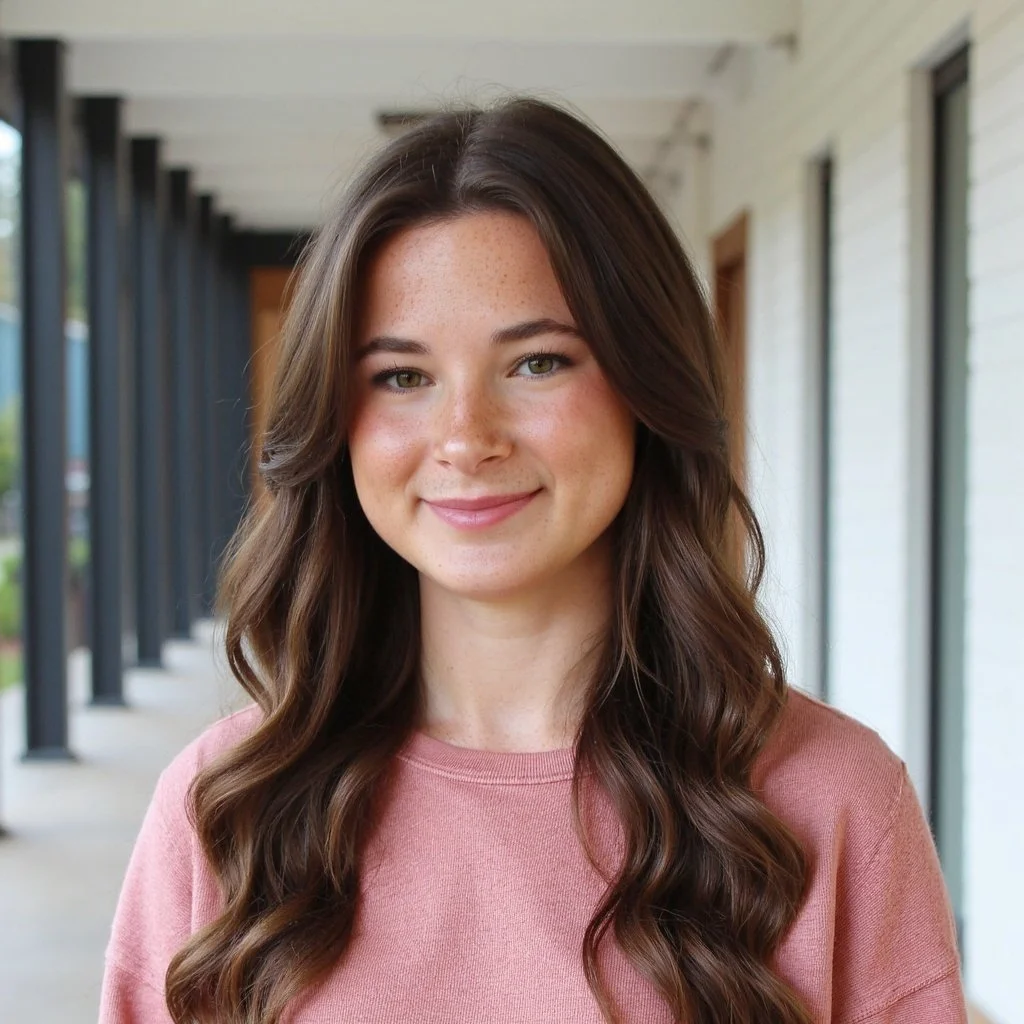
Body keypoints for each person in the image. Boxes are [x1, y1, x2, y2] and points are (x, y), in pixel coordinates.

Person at [99, 97, 966, 1024]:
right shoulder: (223, 809)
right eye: (402, 377)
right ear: (337, 428)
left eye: (538, 363)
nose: (466, 438)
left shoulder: (829, 799)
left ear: (646, 386)